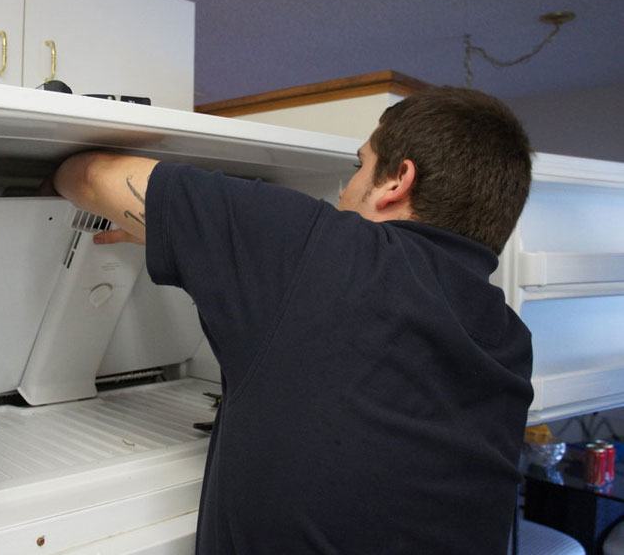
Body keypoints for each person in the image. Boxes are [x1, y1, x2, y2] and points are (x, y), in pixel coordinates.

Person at [50, 86, 534, 554]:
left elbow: (88, 176)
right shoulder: (510, 338)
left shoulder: (326, 250)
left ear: (396, 181)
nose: (345, 192)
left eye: (359, 166)